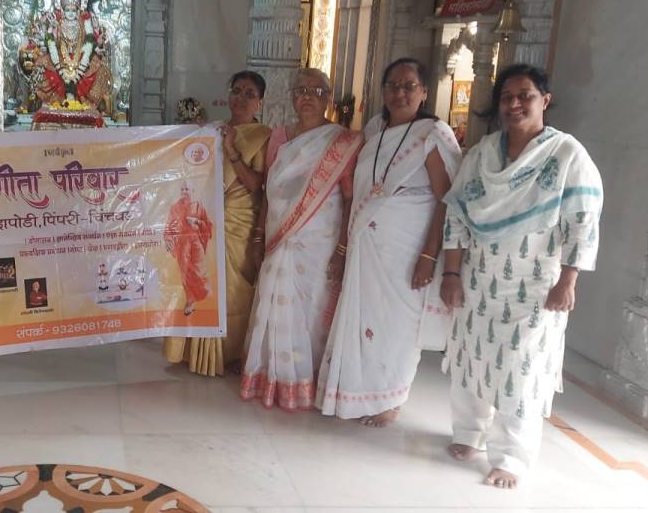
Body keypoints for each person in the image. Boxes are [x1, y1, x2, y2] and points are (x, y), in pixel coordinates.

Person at [440, 64, 602, 489]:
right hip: (479, 278)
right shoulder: (482, 155)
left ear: (544, 100)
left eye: (525, 95)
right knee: (472, 357)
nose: (514, 104)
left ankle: (511, 457)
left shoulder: (566, 155)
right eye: (507, 97)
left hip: (535, 285)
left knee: (522, 369)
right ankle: (468, 433)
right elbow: (456, 215)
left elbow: (583, 222)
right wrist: (452, 272)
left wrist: (568, 281)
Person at [316, 58, 463, 427]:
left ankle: (391, 398)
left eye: (409, 85)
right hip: (367, 246)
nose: (400, 93)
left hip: (408, 248)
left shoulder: (432, 133)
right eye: (393, 85)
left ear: (424, 92)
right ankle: (357, 392)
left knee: (398, 324)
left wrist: (429, 255)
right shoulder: (374, 130)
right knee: (366, 318)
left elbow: (446, 200)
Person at [240, 68, 363, 411]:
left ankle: (305, 382)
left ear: (329, 99)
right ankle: (269, 377)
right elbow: (269, 191)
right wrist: (259, 236)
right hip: (278, 238)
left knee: (311, 308)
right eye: (301, 91)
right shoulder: (279, 137)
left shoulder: (343, 142)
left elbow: (349, 198)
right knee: (273, 301)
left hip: (319, 243)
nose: (308, 97)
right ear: (292, 97)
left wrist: (342, 248)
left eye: (316, 91)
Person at [164, 70, 270, 377]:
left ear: (260, 102)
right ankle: (192, 352)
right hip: (204, 219)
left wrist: (232, 152)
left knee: (232, 291)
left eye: (250, 94)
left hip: (238, 223)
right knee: (197, 280)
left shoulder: (263, 137)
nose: (241, 98)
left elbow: (256, 185)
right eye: (236, 91)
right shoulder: (214, 131)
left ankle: (228, 354)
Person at [163, 181, 213, 316]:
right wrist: (168, 240)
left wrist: (196, 221)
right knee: (186, 273)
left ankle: (204, 296)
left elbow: (208, 224)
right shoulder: (175, 208)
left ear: (192, 190)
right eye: (182, 189)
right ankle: (190, 300)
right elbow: (168, 228)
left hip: (196, 243)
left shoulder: (198, 205)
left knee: (199, 271)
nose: (184, 191)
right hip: (182, 245)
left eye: (187, 189)